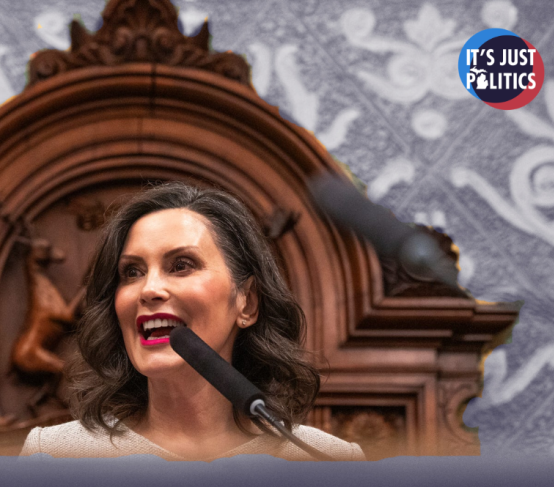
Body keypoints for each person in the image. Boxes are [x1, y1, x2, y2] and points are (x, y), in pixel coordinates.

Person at [20, 182, 364, 461]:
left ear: (247, 302)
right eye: (132, 272)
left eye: (181, 265)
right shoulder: (54, 456)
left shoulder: (326, 462)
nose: (149, 289)